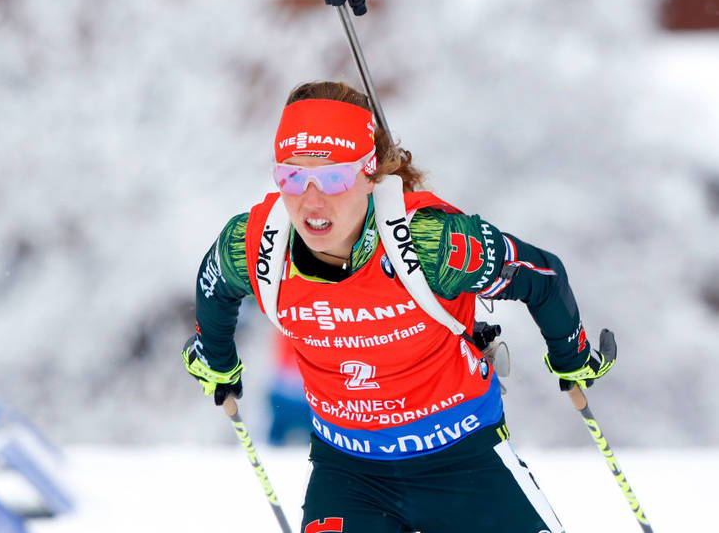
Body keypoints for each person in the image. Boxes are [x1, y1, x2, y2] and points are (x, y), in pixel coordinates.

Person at [182, 81, 615, 533]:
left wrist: (572, 357)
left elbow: (543, 276)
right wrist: (217, 361)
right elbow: (214, 285)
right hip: (348, 475)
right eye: (292, 176)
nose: (311, 200)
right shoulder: (255, 246)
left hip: (464, 463)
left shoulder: (432, 244)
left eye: (333, 177)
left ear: (370, 173)